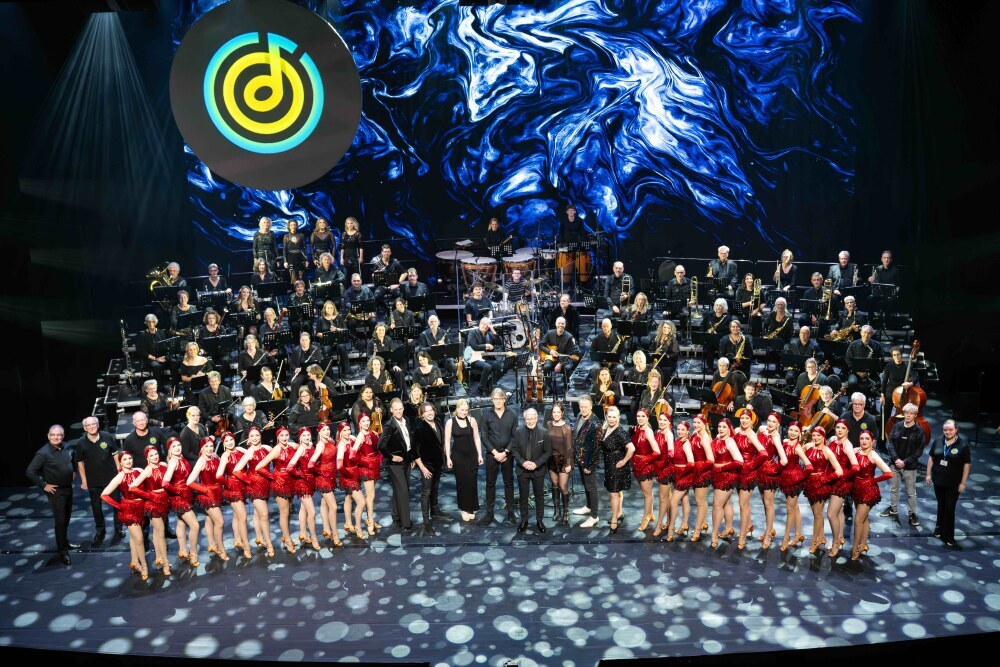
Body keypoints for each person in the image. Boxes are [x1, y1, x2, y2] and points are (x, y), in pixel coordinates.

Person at [26, 424, 77, 565]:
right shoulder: (43, 453)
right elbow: (30, 471)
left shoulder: (67, 446)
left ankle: (65, 543)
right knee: (60, 521)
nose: (56, 437)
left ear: (63, 436)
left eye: (59, 435)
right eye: (53, 435)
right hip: (56, 491)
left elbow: (71, 459)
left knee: (66, 518)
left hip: (68, 488)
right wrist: (44, 485)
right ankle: (62, 552)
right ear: (48, 436)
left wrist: (73, 470)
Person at [98, 452, 148, 578]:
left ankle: (134, 562)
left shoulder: (139, 471)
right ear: (120, 462)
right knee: (139, 539)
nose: (128, 461)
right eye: (125, 459)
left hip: (141, 508)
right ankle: (144, 566)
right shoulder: (119, 477)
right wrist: (120, 506)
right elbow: (104, 495)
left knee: (134, 538)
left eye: (130, 458)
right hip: (129, 510)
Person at [75, 416, 122, 546]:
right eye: (88, 425)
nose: (91, 427)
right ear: (85, 428)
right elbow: (80, 463)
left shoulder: (107, 436)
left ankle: (118, 529)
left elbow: (115, 455)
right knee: (96, 508)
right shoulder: (81, 443)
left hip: (111, 479)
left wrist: (119, 472)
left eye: (93, 424)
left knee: (116, 505)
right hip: (93, 481)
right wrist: (84, 481)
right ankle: (100, 531)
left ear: (98, 425)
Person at [880, 403, 927, 525]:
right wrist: (896, 459)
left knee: (911, 493)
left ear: (915, 415)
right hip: (895, 464)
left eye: (911, 413)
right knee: (893, 489)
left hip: (909, 467)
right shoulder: (897, 426)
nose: (908, 415)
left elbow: (919, 451)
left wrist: (905, 462)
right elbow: (890, 443)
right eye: (906, 412)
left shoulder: (919, 431)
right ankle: (893, 509)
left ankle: (912, 514)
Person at [926, 420, 971, 548]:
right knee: (941, 505)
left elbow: (967, 464)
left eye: (950, 430)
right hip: (939, 481)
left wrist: (963, 483)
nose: (948, 432)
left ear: (956, 429)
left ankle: (949, 536)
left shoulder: (963, 445)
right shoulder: (938, 441)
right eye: (945, 430)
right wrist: (928, 474)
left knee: (950, 508)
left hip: (953, 483)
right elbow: (931, 458)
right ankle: (938, 529)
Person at [232, 427, 275, 556]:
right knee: (264, 515)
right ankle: (269, 544)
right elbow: (236, 470)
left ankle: (259, 538)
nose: (254, 438)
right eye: (252, 436)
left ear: (260, 436)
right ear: (248, 439)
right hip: (254, 486)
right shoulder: (250, 452)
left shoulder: (267, 448)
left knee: (258, 514)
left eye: (256, 435)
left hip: (265, 485)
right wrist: (249, 481)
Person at [479, 388, 519, 525]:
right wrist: (495, 453)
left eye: (500, 399)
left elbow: (514, 436)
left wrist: (505, 452)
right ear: (492, 400)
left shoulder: (512, 414)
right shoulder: (486, 414)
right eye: (495, 399)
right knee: (490, 484)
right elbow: (484, 436)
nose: (497, 401)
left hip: (507, 454)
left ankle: (510, 512)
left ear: (504, 399)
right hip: (492, 455)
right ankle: (489, 514)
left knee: (509, 483)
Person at [851, 430, 893, 559]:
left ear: (872, 441)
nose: (864, 441)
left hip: (868, 490)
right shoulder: (855, 451)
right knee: (864, 519)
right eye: (862, 438)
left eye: (867, 439)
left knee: (858, 520)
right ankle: (864, 544)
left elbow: (889, 473)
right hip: (856, 489)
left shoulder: (873, 455)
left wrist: (872, 480)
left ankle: (855, 547)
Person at [256, 427, 298, 552]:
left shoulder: (292, 446)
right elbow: (259, 467)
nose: (284, 438)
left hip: (291, 482)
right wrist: (273, 477)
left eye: (286, 435)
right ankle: (288, 540)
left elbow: (302, 446)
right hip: (280, 484)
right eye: (282, 436)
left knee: (288, 512)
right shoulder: (276, 450)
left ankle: (285, 536)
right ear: (277, 437)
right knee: (284, 513)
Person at [803, 426, 844, 554]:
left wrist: (824, 479)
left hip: (821, 485)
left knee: (817, 514)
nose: (816, 438)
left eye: (818, 435)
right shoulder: (808, 446)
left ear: (823, 436)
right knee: (816, 513)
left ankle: (814, 541)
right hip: (809, 483)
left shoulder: (827, 451)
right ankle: (821, 538)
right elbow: (796, 452)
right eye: (814, 435)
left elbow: (839, 471)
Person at [187, 438, 228, 562]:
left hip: (217, 492)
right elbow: (189, 482)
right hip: (208, 495)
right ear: (202, 448)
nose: (209, 449)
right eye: (206, 446)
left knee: (210, 519)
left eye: (211, 446)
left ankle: (212, 545)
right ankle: (221, 549)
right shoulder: (201, 461)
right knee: (220, 522)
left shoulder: (214, 456)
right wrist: (205, 490)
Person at [512, 407, 552, 534]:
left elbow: (548, 452)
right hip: (522, 469)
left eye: (532, 418)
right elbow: (514, 450)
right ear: (524, 419)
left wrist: (536, 464)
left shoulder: (544, 432)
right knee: (523, 497)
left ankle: (539, 521)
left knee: (539, 497)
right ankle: (524, 520)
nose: (530, 421)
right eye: (527, 419)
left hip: (538, 470)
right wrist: (523, 462)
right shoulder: (518, 431)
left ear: (536, 418)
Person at [163, 437, 201, 567]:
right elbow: (165, 483)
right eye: (173, 446)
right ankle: (193, 554)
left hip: (186, 495)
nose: (177, 448)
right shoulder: (173, 462)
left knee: (181, 522)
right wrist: (178, 491)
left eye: (178, 445)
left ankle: (183, 551)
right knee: (195, 526)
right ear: (169, 449)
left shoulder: (181, 458)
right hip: (180, 498)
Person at [378, 398, 415, 531]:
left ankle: (396, 515)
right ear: (391, 410)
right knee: (403, 491)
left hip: (407, 459)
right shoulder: (390, 425)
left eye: (400, 409)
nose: (398, 411)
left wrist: (412, 458)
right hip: (395, 463)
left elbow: (409, 441)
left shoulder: (406, 420)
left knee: (400, 489)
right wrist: (392, 456)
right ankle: (406, 523)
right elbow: (381, 445)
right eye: (396, 409)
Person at [445, 399, 484, 521]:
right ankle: (463, 508)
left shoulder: (472, 420)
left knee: (472, 482)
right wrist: (448, 457)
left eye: (466, 410)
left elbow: (477, 438)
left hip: (471, 456)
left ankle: (471, 508)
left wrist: (480, 455)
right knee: (462, 484)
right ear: (457, 409)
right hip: (458, 457)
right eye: (462, 410)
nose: (464, 412)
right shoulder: (450, 422)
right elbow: (447, 441)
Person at [216, 432, 252, 558]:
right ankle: (246, 546)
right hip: (233, 488)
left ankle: (237, 539)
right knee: (243, 517)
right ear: (223, 444)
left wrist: (249, 445)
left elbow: (251, 453)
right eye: (227, 441)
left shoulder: (239, 450)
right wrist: (229, 484)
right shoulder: (225, 455)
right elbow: (219, 475)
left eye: (231, 440)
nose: (230, 442)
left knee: (237, 516)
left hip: (242, 485)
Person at [599, 406, 634, 535]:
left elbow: (632, 448)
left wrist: (624, 461)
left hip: (617, 466)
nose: (611, 419)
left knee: (613, 493)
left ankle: (614, 520)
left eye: (614, 417)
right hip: (609, 464)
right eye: (609, 417)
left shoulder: (620, 432)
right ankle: (619, 513)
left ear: (618, 418)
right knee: (617, 490)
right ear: (606, 417)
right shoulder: (606, 428)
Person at [308, 423, 343, 547]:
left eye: (328, 429)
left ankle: (326, 529)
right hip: (324, 479)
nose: (327, 431)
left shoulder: (330, 441)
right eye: (324, 430)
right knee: (333, 507)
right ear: (319, 432)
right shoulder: (320, 445)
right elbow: (311, 463)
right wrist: (322, 471)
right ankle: (335, 535)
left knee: (324, 503)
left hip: (331, 477)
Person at [413, 401, 445, 534]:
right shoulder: (420, 428)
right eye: (426, 411)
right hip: (426, 465)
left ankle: (435, 511)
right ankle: (426, 522)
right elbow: (414, 451)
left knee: (435, 487)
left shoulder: (438, 422)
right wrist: (422, 468)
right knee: (426, 492)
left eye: (431, 410)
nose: (430, 413)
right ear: (422, 414)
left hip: (438, 462)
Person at [709, 419, 743, 548]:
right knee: (726, 503)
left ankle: (714, 533)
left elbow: (739, 461)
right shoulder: (716, 439)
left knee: (717, 505)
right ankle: (728, 528)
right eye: (719, 426)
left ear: (729, 428)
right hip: (717, 476)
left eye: (724, 427)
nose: (721, 429)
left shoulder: (730, 442)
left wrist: (721, 468)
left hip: (727, 477)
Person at [778, 422, 811, 551]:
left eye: (796, 431)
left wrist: (799, 477)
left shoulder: (798, 447)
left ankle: (785, 538)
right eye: (791, 430)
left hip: (794, 481)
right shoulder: (785, 442)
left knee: (790, 510)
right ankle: (798, 534)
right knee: (794, 507)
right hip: (785, 479)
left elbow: (809, 465)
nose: (792, 433)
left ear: (799, 433)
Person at [287, 428, 320, 550]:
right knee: (312, 511)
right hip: (302, 483)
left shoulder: (311, 446)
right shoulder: (301, 449)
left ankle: (303, 533)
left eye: (308, 435)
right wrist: (302, 474)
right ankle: (314, 538)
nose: (307, 437)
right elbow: (290, 467)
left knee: (303, 509)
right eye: (304, 435)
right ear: (300, 438)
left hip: (310, 481)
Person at [572, 396, 602, 528]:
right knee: (585, 484)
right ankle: (588, 506)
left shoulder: (595, 423)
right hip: (580, 458)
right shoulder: (579, 416)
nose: (583, 409)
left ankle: (594, 516)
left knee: (591, 487)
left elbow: (596, 447)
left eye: (585, 407)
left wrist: (589, 465)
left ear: (591, 407)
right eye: (581, 406)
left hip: (589, 461)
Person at [353, 413, 383, 537]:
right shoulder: (360, 436)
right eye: (363, 421)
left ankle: (369, 518)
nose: (366, 423)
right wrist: (364, 461)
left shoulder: (372, 433)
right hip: (366, 468)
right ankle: (370, 521)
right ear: (359, 424)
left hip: (375, 466)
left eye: (367, 420)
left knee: (369, 495)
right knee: (371, 496)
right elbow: (353, 454)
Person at [546, 403, 574, 526]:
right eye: (554, 412)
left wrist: (568, 464)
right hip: (551, 460)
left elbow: (569, 447)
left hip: (563, 461)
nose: (556, 414)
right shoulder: (548, 424)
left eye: (558, 412)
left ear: (562, 413)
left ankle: (566, 511)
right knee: (555, 485)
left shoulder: (566, 428)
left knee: (563, 487)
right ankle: (557, 510)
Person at [689, 416, 715, 542]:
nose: (695, 424)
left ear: (704, 423)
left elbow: (710, 460)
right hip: (695, 471)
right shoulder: (695, 434)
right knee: (701, 500)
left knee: (699, 501)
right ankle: (703, 523)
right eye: (694, 422)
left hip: (702, 473)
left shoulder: (704, 439)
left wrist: (699, 468)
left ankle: (697, 529)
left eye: (698, 422)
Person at [466, 317, 505, 395]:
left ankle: (489, 383)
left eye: (487, 325)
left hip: (485, 358)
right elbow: (473, 346)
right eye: (484, 324)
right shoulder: (472, 333)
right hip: (474, 358)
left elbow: (499, 343)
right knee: (487, 367)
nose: (485, 327)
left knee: (502, 366)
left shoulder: (489, 334)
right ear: (480, 324)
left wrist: (493, 330)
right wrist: (486, 345)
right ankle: (481, 388)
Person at [589, 317, 626, 383]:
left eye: (607, 326)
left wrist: (620, 360)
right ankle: (598, 386)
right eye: (604, 326)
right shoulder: (597, 338)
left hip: (614, 363)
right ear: (601, 326)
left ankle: (616, 386)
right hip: (601, 363)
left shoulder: (618, 337)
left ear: (611, 326)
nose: (605, 328)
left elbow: (623, 351)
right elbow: (592, 352)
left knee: (621, 368)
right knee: (594, 369)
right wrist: (598, 358)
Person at [282, 219, 309, 284]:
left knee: (300, 277)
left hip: (300, 258)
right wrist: (285, 261)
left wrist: (306, 260)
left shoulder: (301, 235)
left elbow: (304, 248)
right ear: (289, 226)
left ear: (296, 226)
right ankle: (293, 290)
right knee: (293, 277)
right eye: (291, 225)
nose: (293, 226)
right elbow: (284, 249)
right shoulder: (286, 236)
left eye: (294, 225)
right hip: (290, 259)